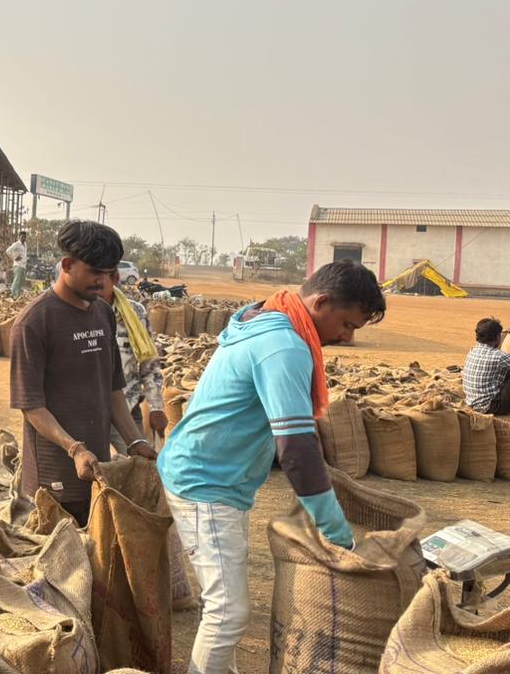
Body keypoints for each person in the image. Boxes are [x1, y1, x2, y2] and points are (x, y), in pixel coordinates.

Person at [158, 260, 387, 674]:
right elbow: (296, 450)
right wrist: (336, 532)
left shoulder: (265, 317)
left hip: (216, 476)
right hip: (205, 482)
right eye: (348, 324)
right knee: (228, 613)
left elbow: (299, 432)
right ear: (321, 302)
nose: (347, 337)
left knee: (223, 602)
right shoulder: (284, 347)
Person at [9, 220, 157, 526]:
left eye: (107, 273)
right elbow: (31, 406)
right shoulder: (34, 323)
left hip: (97, 469)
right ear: (67, 264)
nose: (102, 282)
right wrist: (74, 449)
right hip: (54, 478)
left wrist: (135, 442)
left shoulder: (102, 313)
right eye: (94, 272)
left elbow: (113, 389)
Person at [98, 270, 167, 455]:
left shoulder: (135, 312)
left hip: (127, 408)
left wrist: (156, 407)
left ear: (114, 278)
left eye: (100, 277)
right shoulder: (80, 311)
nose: (94, 282)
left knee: (142, 471)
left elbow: (149, 362)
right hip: (91, 413)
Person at [462, 317, 510, 415]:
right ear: (496, 336)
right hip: (490, 407)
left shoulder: (472, 351)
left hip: (472, 402)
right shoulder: (498, 357)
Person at [6, 231, 28, 297]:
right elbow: (7, 251)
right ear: (19, 237)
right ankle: (11, 294)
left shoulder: (25, 244)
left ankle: (17, 296)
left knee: (21, 282)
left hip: (23, 266)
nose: (23, 238)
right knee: (16, 281)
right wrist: (14, 258)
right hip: (18, 265)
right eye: (22, 237)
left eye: (24, 237)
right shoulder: (16, 244)